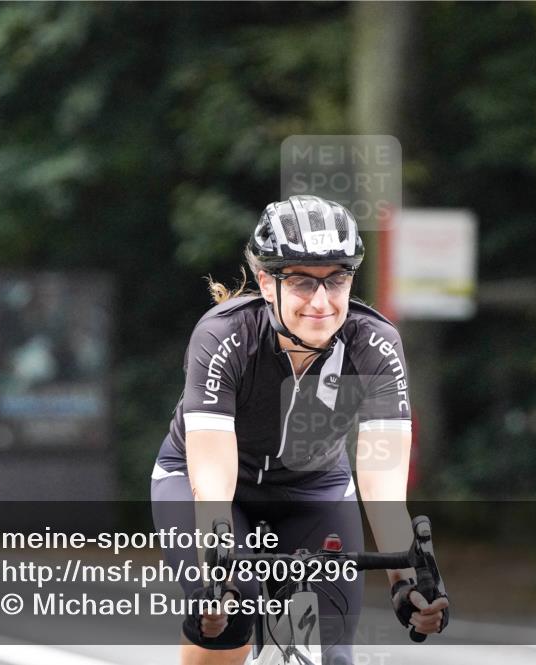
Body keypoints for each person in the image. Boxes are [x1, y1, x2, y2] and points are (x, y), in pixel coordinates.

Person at [151, 195, 448, 665]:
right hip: (210, 487)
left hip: (315, 488)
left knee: (334, 655)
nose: (322, 300)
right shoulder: (225, 336)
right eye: (303, 283)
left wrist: (405, 582)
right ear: (268, 282)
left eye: (337, 279)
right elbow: (212, 477)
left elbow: (382, 483)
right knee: (230, 621)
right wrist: (218, 572)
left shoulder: (375, 345)